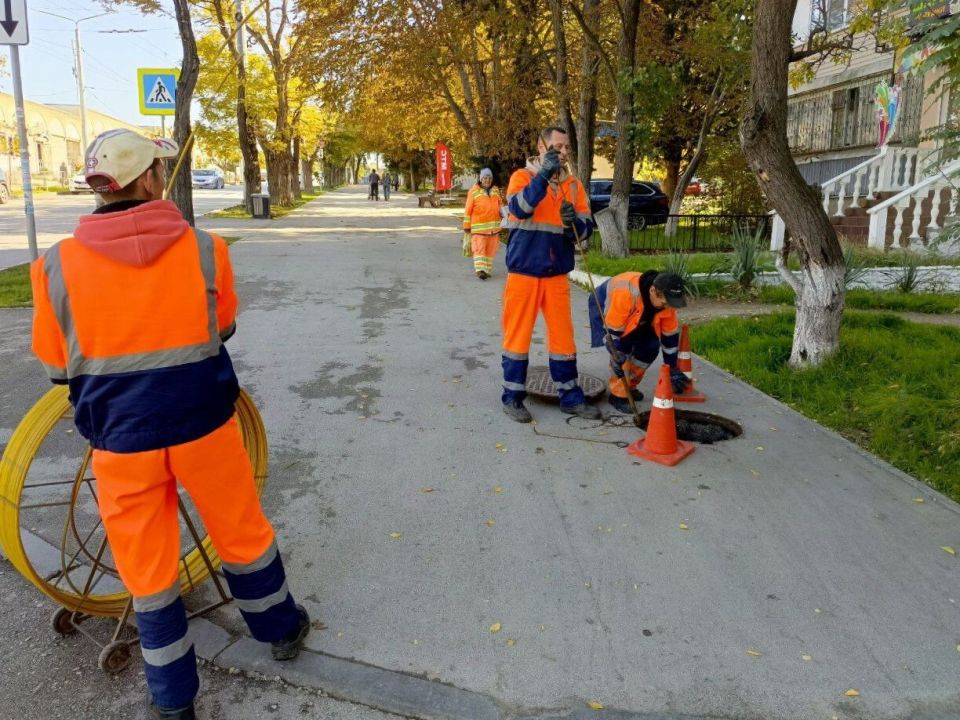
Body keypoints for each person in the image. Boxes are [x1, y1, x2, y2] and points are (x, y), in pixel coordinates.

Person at [30, 129, 310, 720]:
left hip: (120, 438)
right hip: (204, 423)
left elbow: (58, 366)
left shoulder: (54, 266)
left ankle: (173, 698)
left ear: (100, 189)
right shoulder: (206, 249)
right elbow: (223, 328)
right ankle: (281, 631)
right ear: (154, 179)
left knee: (147, 565)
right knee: (241, 532)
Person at [501, 126, 600, 423]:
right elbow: (519, 209)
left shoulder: (573, 186)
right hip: (524, 273)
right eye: (558, 146)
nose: (564, 152)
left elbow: (585, 233)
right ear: (542, 148)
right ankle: (512, 397)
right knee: (517, 338)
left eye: (567, 147)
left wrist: (576, 225)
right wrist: (544, 176)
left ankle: (570, 396)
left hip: (557, 274)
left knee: (563, 338)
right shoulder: (522, 177)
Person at [587, 270, 690, 414]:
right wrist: (616, 354)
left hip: (639, 315)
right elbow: (613, 333)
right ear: (653, 291)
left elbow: (670, 339)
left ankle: (629, 386)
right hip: (606, 306)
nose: (668, 307)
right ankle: (618, 395)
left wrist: (672, 368)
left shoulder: (666, 303)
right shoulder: (626, 292)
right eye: (665, 303)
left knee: (650, 347)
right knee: (623, 349)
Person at [463, 168, 504, 280]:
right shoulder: (473, 192)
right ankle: (480, 270)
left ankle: (486, 270)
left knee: (491, 250)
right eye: (485, 178)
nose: (487, 180)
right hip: (479, 229)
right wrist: (467, 226)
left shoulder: (495, 190)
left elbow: (500, 205)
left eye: (489, 178)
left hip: (494, 229)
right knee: (479, 249)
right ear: (481, 179)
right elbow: (468, 210)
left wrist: (505, 216)